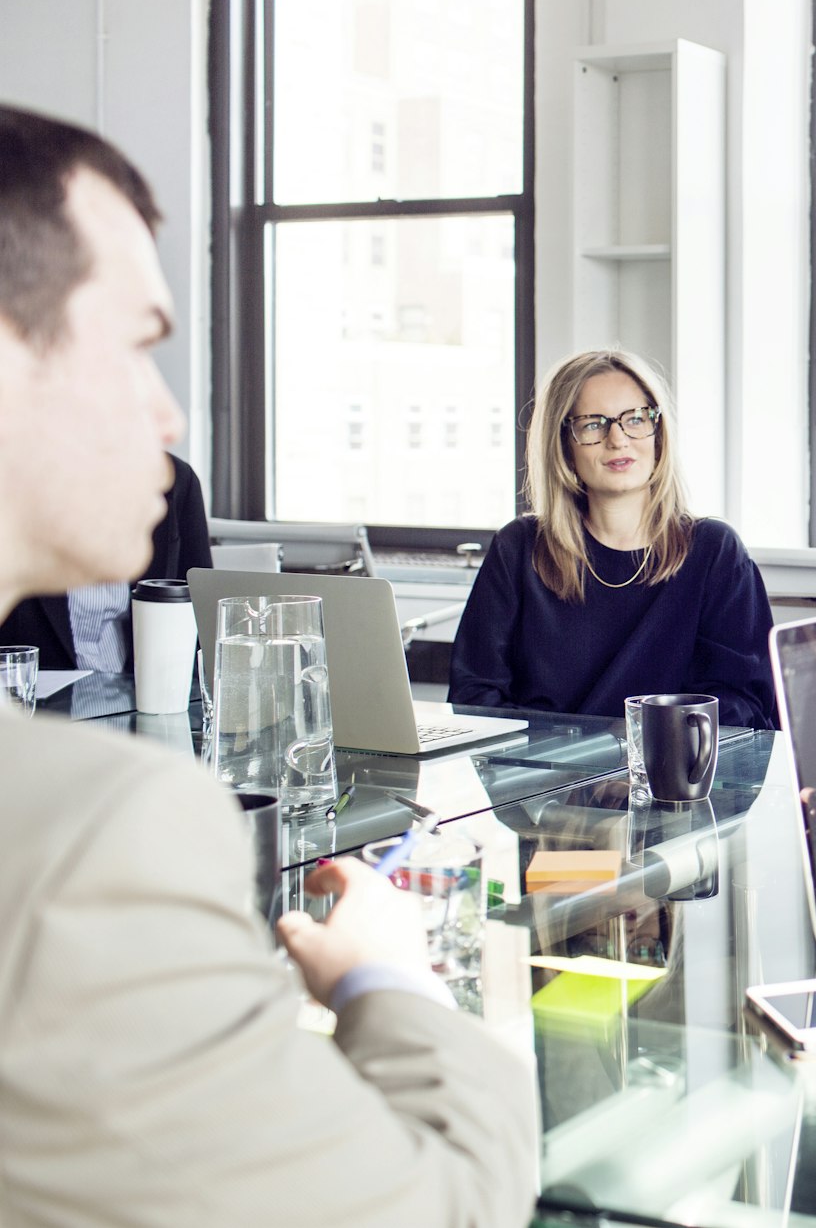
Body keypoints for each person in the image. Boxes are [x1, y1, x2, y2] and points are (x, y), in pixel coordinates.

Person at [0, 106, 536, 1222]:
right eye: (138, 343)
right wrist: (386, 974)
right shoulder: (94, 832)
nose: (170, 409)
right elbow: (447, 1204)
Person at [449, 348, 778, 728]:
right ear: (563, 445)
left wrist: (641, 757)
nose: (618, 439)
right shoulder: (519, 548)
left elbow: (743, 703)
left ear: (658, 433)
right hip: (545, 780)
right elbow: (474, 698)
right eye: (593, 424)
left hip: (669, 780)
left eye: (635, 419)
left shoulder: (713, 551)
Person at [0, 449, 211, 674]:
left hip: (145, 691)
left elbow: (202, 615)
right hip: (33, 696)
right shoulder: (15, 477)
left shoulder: (174, 478)